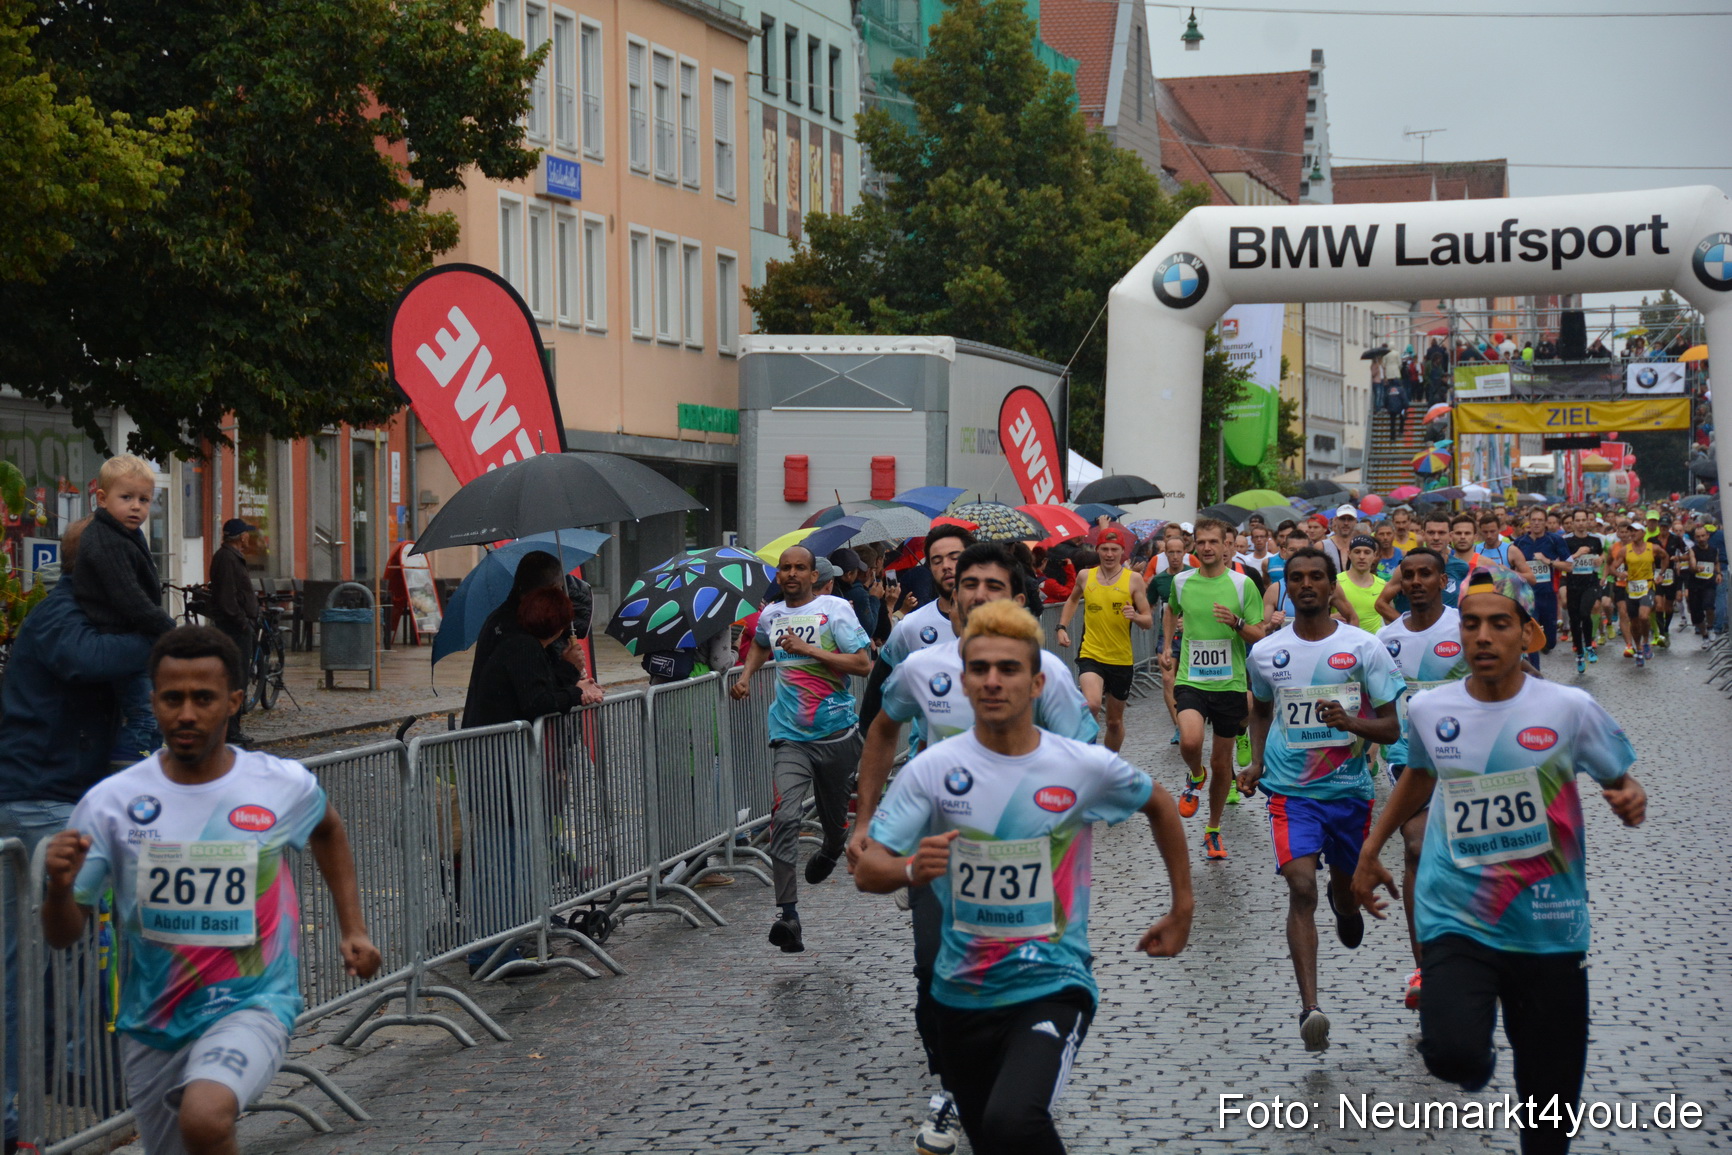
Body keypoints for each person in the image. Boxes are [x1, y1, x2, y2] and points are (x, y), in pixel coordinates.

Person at [855, 601, 1193, 1155]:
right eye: (980, 669)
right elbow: (869, 870)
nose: (993, 681)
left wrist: (1182, 907)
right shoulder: (931, 771)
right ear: (964, 682)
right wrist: (912, 868)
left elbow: (1158, 802)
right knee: (993, 1138)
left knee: (1014, 1120)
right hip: (961, 993)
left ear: (1036, 683)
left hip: (1051, 983)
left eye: (1008, 669)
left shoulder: (1078, 765)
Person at [40, 626, 381, 1155]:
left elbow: (328, 828)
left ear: (234, 701)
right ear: (152, 701)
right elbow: (62, 935)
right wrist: (60, 891)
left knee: (204, 1119)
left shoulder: (278, 784)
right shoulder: (111, 802)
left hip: (252, 1004)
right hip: (153, 1020)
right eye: (172, 698)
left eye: (203, 698)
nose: (187, 714)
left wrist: (353, 928)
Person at [1353, 568, 1645, 1155]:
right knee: (1452, 1053)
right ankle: (1472, 1058)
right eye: (1471, 624)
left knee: (1549, 1114)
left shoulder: (1569, 708)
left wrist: (1629, 795)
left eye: (1500, 624)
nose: (1483, 636)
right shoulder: (1430, 709)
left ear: (1529, 634)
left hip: (1549, 923)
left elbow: (1619, 777)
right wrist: (1370, 849)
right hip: (1456, 914)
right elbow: (1420, 774)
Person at [849, 543, 1096, 1155]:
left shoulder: (1046, 672)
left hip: (1026, 860)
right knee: (934, 966)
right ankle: (956, 1087)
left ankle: (1011, 1076)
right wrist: (866, 818)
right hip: (941, 851)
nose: (979, 594)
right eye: (969, 583)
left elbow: (1086, 760)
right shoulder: (922, 666)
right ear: (953, 593)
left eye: (994, 585)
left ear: (1016, 599)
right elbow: (882, 727)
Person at [0, 518, 155, 1149]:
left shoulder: (87, 614)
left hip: (57, 791)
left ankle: (73, 1073)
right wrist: (160, 636)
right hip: (39, 796)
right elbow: (82, 660)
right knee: (37, 954)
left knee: (64, 949)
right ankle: (22, 1105)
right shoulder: (62, 615)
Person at [1239, 548, 1402, 1051]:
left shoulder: (1364, 647)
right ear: (1286, 586)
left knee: (1344, 897)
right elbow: (1260, 711)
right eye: (1296, 578)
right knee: (1301, 886)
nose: (1306, 584)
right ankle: (1311, 1008)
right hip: (1291, 794)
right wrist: (1257, 762)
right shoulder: (1265, 653)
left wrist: (1351, 723)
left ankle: (1346, 905)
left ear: (1333, 586)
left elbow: (1393, 727)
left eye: (1316, 577)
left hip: (1349, 791)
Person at [731, 546, 872, 952]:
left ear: (814, 576)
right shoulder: (771, 615)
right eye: (785, 568)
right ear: (778, 575)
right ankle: (788, 915)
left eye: (800, 568)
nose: (791, 574)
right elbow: (760, 644)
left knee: (834, 823)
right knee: (786, 816)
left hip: (837, 734)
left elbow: (863, 664)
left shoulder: (835, 610)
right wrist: (746, 676)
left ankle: (831, 848)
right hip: (790, 735)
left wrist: (809, 649)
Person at [1372, 548, 1469, 1009]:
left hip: (1467, 758)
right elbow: (1372, 701)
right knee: (1415, 846)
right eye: (1407, 575)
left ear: (1442, 581)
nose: (1415, 582)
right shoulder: (1384, 638)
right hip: (1408, 758)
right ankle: (1424, 968)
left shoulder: (1465, 627)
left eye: (1425, 574)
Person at [1161, 519, 1265, 860]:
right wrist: (1167, 645)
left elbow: (1259, 634)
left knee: (1222, 764)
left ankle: (1213, 829)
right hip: (1192, 679)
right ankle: (1195, 774)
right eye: (1201, 541)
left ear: (1226, 546)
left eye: (1213, 542)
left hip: (1229, 682)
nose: (1207, 547)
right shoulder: (1181, 581)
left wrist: (1236, 622)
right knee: (1190, 741)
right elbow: (1170, 610)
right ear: (1195, 545)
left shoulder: (1242, 584)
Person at [71, 454, 177, 761]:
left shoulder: (125, 533)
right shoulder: (106, 539)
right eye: (127, 497)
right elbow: (129, 597)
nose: (136, 507)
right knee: (145, 714)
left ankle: (147, 762)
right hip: (118, 639)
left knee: (152, 711)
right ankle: (127, 768)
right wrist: (170, 631)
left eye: (144, 500)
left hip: (130, 638)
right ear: (102, 499)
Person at [860, 525, 975, 732]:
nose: (946, 566)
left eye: (954, 557)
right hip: (928, 749)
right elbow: (873, 707)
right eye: (937, 561)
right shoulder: (911, 626)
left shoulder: (1005, 624)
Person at [465, 551, 602, 723]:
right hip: (500, 732)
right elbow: (536, 700)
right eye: (560, 588)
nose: (562, 593)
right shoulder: (521, 640)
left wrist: (572, 679)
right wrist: (575, 688)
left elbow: (536, 682)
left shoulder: (510, 625)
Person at [1056, 526, 1153, 753]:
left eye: (1114, 550)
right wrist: (1061, 627)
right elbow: (1072, 600)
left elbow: (1148, 620)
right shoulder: (1085, 576)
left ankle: (1109, 763)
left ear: (1122, 552)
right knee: (1091, 704)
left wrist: (1135, 616)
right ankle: (1089, 758)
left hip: (1120, 658)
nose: (1109, 554)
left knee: (1114, 722)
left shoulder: (1133, 579)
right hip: (1091, 653)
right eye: (1105, 549)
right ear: (1097, 550)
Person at [207, 519, 261, 744]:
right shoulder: (227, 558)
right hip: (234, 628)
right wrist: (242, 621)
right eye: (246, 534)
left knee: (238, 677)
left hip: (238, 625)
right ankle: (230, 731)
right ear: (241, 537)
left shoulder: (232, 556)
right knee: (235, 678)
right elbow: (227, 597)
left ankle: (232, 729)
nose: (248, 537)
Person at [1509, 508, 1568, 664]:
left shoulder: (1555, 540)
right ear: (1529, 521)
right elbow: (1512, 567)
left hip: (1548, 596)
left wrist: (1548, 561)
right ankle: (1535, 672)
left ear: (1545, 522)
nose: (1536, 523)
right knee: (1531, 636)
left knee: (1550, 642)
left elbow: (1569, 566)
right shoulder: (1519, 543)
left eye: (1540, 520)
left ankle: (1546, 644)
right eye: (1533, 520)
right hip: (1527, 596)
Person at [1561, 509, 1605, 672]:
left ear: (1588, 521)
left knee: (1585, 613)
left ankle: (1589, 646)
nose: (1580, 523)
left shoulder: (1596, 540)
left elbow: (1603, 555)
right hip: (1573, 584)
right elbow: (1561, 561)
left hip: (1590, 583)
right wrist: (1577, 554)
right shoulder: (1566, 540)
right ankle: (1579, 653)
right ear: (1573, 523)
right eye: (1577, 520)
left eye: (1583, 520)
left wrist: (1601, 560)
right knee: (1574, 619)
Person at [1615, 527, 1658, 666]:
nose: (1632, 533)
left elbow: (1665, 557)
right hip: (1631, 589)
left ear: (1643, 533)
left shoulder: (1652, 548)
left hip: (1647, 587)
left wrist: (1661, 573)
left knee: (1644, 616)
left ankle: (1645, 642)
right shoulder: (1625, 550)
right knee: (1634, 623)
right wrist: (1619, 574)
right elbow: (1612, 566)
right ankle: (1638, 648)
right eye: (1631, 531)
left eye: (1635, 531)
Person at [1650, 514, 1690, 649]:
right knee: (1658, 605)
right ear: (1659, 526)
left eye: (1666, 526)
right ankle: (1661, 633)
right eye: (1662, 526)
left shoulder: (1676, 539)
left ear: (1669, 527)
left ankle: (1666, 629)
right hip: (1656, 574)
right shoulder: (1652, 540)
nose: (1664, 529)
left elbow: (1688, 554)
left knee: (1668, 606)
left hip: (1671, 575)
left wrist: (1679, 559)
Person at [1338, 535, 1389, 630]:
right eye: (1357, 552)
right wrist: (1330, 618)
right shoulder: (1336, 582)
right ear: (1349, 554)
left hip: (1374, 639)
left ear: (1374, 555)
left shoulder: (1383, 586)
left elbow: (1389, 622)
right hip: (1344, 638)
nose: (1362, 557)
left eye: (1367, 552)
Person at [1686, 524, 1718, 645]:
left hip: (1709, 583)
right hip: (1695, 585)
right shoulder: (1693, 550)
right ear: (1695, 538)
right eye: (1698, 537)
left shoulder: (1714, 550)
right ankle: (1704, 635)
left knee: (1709, 606)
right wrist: (1696, 568)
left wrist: (1719, 573)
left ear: (1708, 536)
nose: (1701, 539)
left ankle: (1710, 627)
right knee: (1697, 613)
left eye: (1703, 536)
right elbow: (1692, 563)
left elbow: (1716, 563)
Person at [1319, 504, 1359, 572]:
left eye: (1350, 519)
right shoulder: (1322, 546)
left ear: (1355, 522)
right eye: (1342, 519)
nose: (1346, 523)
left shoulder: (1361, 546)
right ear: (1335, 520)